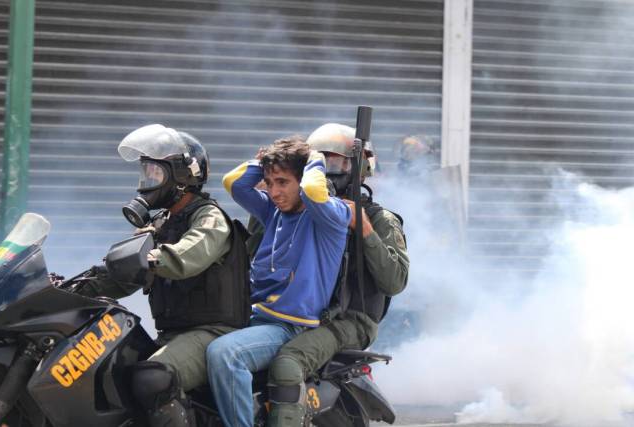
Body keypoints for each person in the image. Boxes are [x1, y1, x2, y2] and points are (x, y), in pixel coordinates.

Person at [77, 124, 250, 427]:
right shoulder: (160, 224)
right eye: (145, 173)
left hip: (214, 333)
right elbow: (122, 275)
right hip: (173, 334)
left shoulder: (209, 217)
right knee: (107, 372)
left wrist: (151, 258)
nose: (147, 181)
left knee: (151, 378)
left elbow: (188, 255)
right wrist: (72, 288)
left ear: (181, 176)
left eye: (155, 173)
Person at [266, 123, 410, 427]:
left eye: (335, 162)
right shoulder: (301, 210)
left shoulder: (379, 219)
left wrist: (365, 230)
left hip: (349, 319)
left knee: (288, 362)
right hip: (299, 313)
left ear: (358, 167)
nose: (326, 170)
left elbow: (395, 281)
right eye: (318, 162)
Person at [206, 135, 351, 427]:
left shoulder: (329, 217)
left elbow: (313, 189)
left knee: (225, 354)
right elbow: (233, 182)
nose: (273, 192)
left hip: (289, 326)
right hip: (254, 319)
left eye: (283, 182)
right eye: (270, 183)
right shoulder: (273, 213)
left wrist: (314, 159)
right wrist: (263, 164)